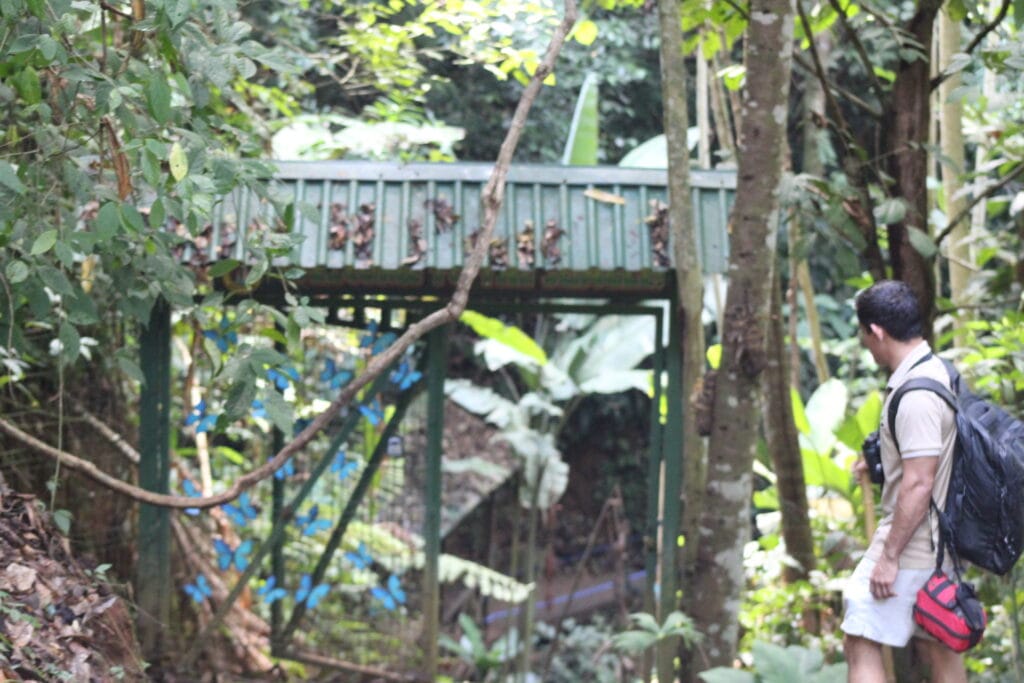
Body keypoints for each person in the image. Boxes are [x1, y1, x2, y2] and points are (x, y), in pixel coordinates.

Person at [841, 280, 966, 683]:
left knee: (860, 631)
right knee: (938, 640)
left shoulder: (915, 395)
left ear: (876, 331)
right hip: (939, 539)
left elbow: (918, 482)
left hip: (914, 543)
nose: (865, 343)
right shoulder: (936, 371)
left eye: (865, 334)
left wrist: (889, 556)